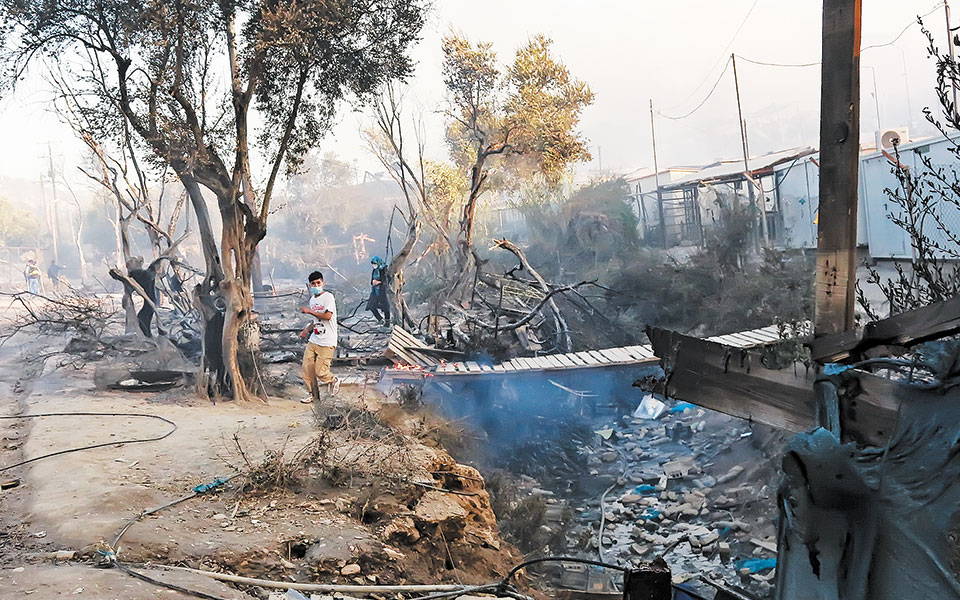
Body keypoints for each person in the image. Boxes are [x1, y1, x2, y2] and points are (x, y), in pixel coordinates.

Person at [299, 271, 340, 403]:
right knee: (307, 369)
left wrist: (310, 311)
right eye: (313, 284)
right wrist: (306, 330)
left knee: (320, 371)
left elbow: (327, 316)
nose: (316, 285)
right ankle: (313, 394)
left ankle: (333, 380)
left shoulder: (328, 297)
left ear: (323, 283)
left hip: (327, 341)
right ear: (310, 286)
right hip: (314, 339)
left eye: (318, 283)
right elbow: (315, 320)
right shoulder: (313, 300)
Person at [365, 255, 391, 325]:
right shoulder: (374, 270)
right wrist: (373, 282)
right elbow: (372, 281)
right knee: (371, 306)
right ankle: (380, 319)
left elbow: (387, 280)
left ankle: (387, 323)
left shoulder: (384, 269)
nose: (374, 265)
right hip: (375, 291)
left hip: (383, 291)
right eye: (373, 264)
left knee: (386, 307)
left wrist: (379, 282)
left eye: (375, 263)